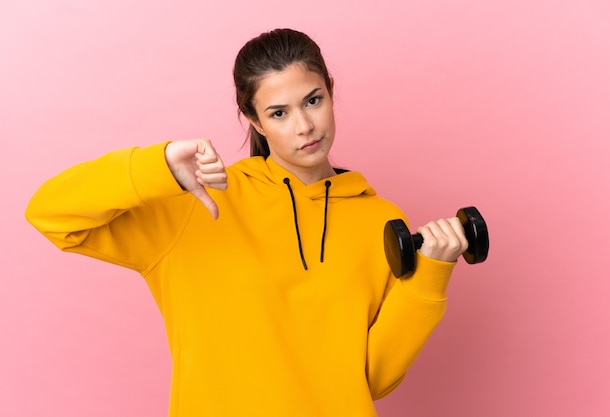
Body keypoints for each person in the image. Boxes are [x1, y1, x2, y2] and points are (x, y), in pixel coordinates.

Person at [25, 28, 468, 417]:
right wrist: (155, 168)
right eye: (279, 113)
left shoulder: (381, 219)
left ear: (331, 91)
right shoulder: (196, 205)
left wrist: (428, 278)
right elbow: (51, 213)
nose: (304, 126)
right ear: (253, 118)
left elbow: (371, 379)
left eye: (313, 100)